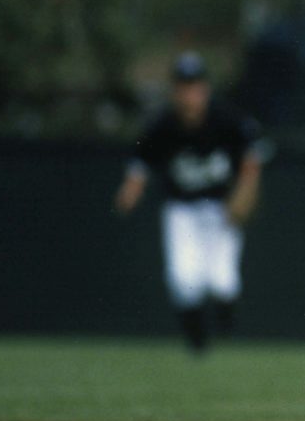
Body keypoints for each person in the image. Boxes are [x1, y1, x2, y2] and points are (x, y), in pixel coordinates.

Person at [113, 51, 271, 352]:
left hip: (220, 209)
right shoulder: (163, 124)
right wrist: (131, 188)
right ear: (175, 90)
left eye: (194, 85)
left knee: (222, 281)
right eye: (183, 86)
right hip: (181, 209)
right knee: (183, 279)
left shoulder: (226, 118)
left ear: (205, 88)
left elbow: (254, 150)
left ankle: (228, 338)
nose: (189, 93)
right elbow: (140, 158)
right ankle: (197, 347)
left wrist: (248, 185)